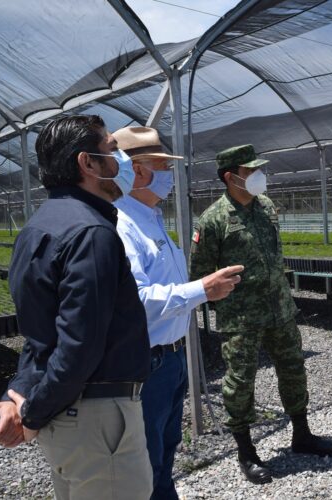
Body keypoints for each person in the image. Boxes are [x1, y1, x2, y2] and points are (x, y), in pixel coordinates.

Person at [0, 115, 154, 499]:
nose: (123, 163)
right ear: (88, 163)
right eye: (113, 150)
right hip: (98, 420)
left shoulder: (37, 228)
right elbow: (80, 343)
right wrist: (31, 413)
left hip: (68, 422)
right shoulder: (92, 233)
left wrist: (23, 393)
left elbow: (38, 333)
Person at [189, 144, 332, 485]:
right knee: (240, 382)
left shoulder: (267, 206)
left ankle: (301, 434)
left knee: (293, 370)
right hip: (241, 318)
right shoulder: (213, 220)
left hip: (280, 310)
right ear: (230, 178)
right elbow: (200, 274)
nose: (258, 176)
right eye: (250, 171)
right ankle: (246, 451)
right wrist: (225, 304)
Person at [112, 126, 244, 499]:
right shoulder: (123, 226)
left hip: (171, 358)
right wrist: (201, 289)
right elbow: (135, 298)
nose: (169, 176)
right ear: (136, 171)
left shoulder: (150, 218)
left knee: (165, 450)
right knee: (147, 459)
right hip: (147, 365)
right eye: (161, 166)